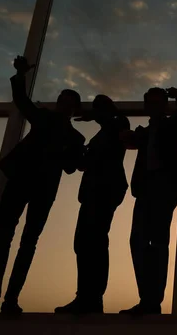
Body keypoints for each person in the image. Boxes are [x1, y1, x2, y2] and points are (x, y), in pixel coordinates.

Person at [0, 56, 85, 322]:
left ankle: (7, 298)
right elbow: (23, 102)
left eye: (68, 103)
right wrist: (20, 75)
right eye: (62, 100)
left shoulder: (72, 136)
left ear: (73, 110)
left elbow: (72, 167)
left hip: (39, 189)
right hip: (26, 184)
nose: (63, 105)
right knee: (7, 239)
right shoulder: (50, 121)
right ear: (59, 104)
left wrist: (78, 155)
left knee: (23, 242)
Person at [118, 87, 177, 316]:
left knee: (158, 243)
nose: (155, 106)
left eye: (158, 102)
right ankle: (148, 299)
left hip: (164, 186)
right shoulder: (145, 132)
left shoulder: (172, 125)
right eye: (151, 102)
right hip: (146, 188)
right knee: (138, 241)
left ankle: (152, 301)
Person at [55, 95, 130, 315]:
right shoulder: (102, 134)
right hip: (94, 191)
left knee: (94, 242)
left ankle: (92, 297)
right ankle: (86, 296)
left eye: (100, 108)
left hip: (105, 190)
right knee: (85, 242)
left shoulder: (118, 123)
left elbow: (114, 124)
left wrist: (94, 116)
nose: (96, 112)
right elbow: (83, 164)